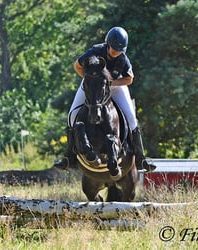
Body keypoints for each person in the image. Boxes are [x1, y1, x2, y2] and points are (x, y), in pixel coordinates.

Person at [54, 27, 156, 172]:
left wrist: (110, 83)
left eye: (119, 50)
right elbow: (77, 65)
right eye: (114, 49)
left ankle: (140, 159)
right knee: (72, 116)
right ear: (108, 44)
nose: (116, 52)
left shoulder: (123, 58)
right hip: (93, 85)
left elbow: (129, 79)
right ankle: (69, 157)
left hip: (115, 86)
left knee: (132, 119)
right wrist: (90, 81)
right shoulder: (95, 51)